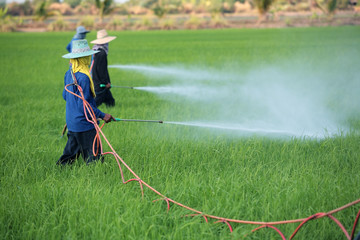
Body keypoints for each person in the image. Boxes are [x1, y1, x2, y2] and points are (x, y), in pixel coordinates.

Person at [57, 39, 115, 165]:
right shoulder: (84, 77)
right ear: (84, 58)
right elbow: (85, 105)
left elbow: (65, 95)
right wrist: (102, 115)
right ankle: (98, 177)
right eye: (88, 56)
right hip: (85, 124)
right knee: (95, 160)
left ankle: (59, 171)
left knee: (68, 157)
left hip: (72, 122)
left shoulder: (69, 73)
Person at [90, 29, 117, 107]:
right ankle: (88, 114)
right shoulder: (102, 53)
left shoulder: (96, 51)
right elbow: (101, 70)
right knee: (96, 102)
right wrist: (106, 83)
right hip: (100, 83)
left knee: (110, 101)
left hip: (96, 81)